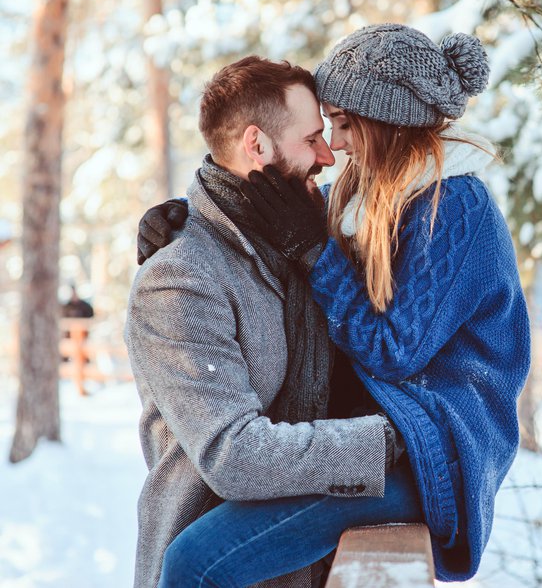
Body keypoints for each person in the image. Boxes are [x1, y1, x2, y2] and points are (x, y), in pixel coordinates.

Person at [138, 24, 531, 585]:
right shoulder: (367, 194)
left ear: (385, 121)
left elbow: (394, 351)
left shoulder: (456, 207)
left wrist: (316, 253)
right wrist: (183, 217)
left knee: (198, 562)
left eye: (344, 124)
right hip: (384, 437)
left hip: (430, 449)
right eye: (327, 128)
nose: (336, 145)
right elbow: (275, 206)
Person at [125, 56, 403, 588]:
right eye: (311, 138)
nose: (328, 155)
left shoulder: (308, 237)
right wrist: (389, 441)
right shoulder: (181, 278)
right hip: (218, 568)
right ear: (257, 145)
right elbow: (235, 454)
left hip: (312, 561)